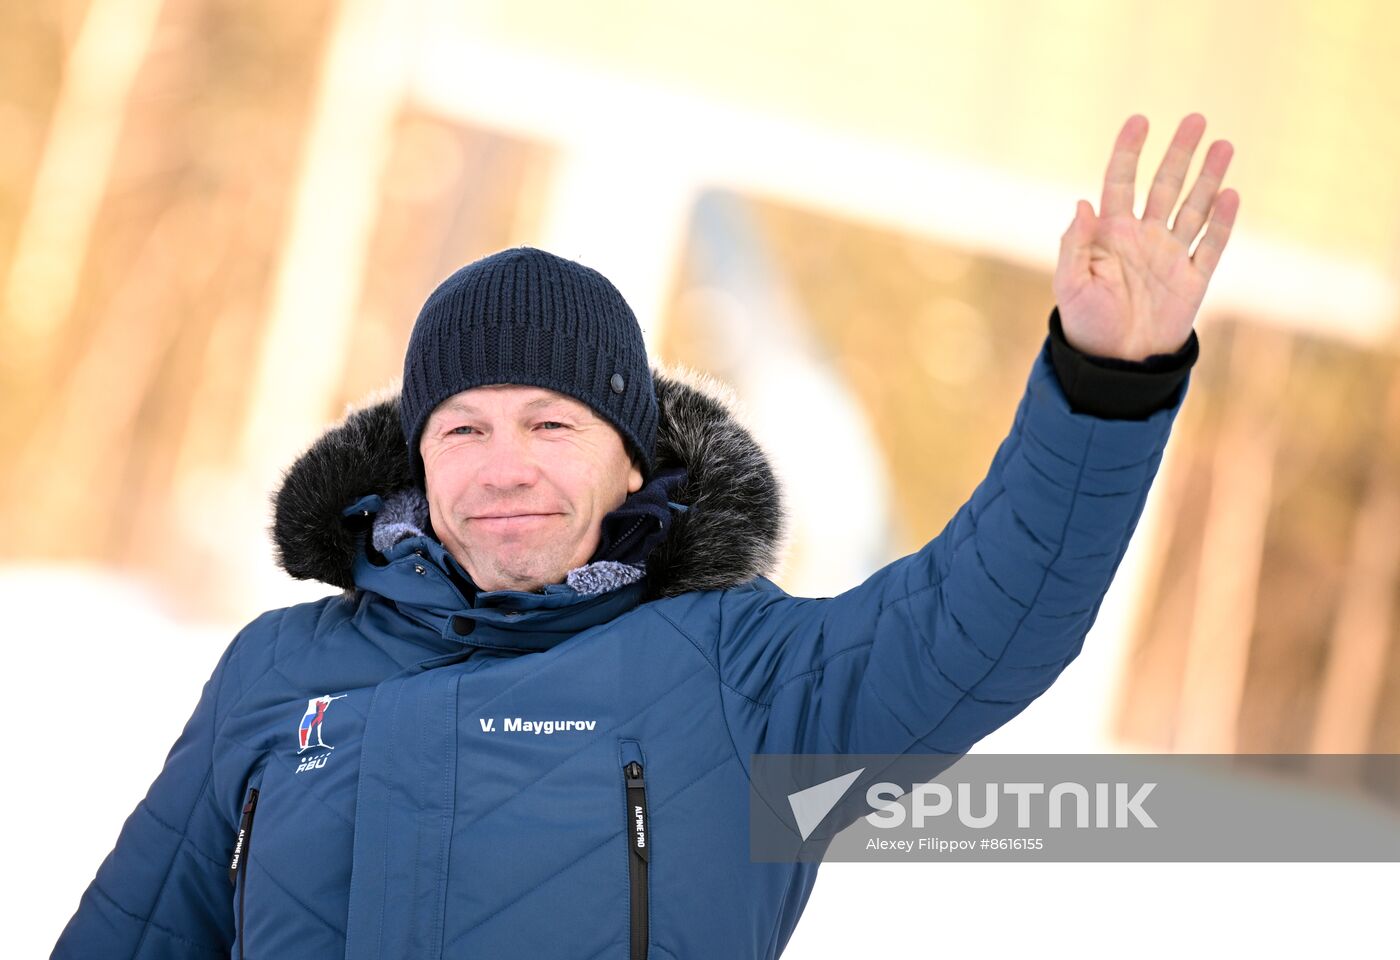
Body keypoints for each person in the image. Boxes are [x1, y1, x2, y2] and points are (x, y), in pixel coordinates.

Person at [52, 112, 1236, 959]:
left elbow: (984, 619)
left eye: (551, 422)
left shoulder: (740, 672)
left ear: (632, 455)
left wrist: (1104, 384)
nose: (502, 464)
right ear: (415, 455)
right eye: (461, 426)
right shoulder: (279, 668)